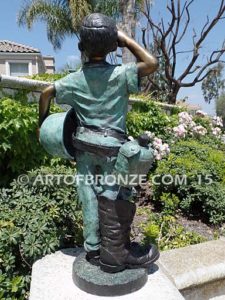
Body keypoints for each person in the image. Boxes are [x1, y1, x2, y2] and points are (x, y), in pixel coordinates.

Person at [38, 13, 159, 273]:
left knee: (87, 196)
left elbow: (46, 93)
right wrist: (125, 40)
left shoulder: (73, 79)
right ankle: (115, 252)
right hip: (112, 149)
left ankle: (93, 248)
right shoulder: (120, 74)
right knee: (114, 195)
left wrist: (42, 123)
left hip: (83, 147)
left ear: (82, 48)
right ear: (112, 46)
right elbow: (151, 62)